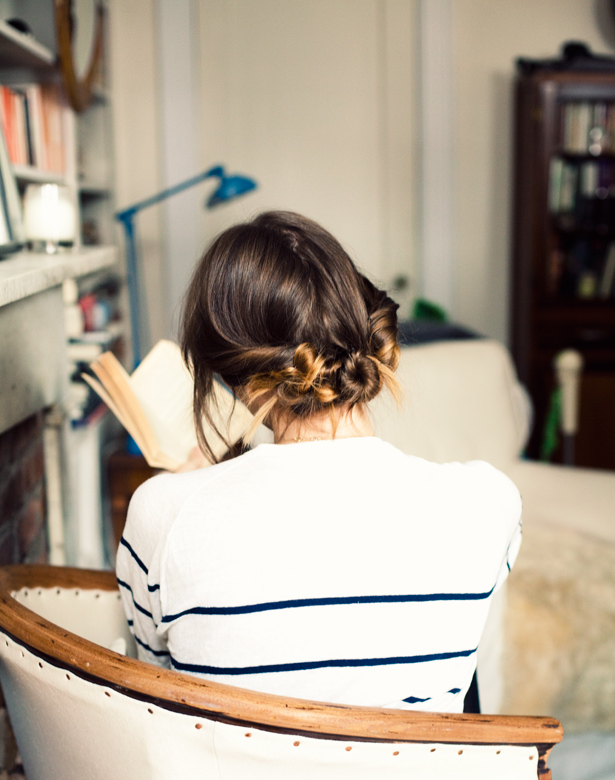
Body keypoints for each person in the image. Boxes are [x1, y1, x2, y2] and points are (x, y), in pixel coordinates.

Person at [116, 210, 521, 712]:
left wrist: (192, 497)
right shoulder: (486, 502)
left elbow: (159, 694)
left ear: (234, 376)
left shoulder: (161, 515)